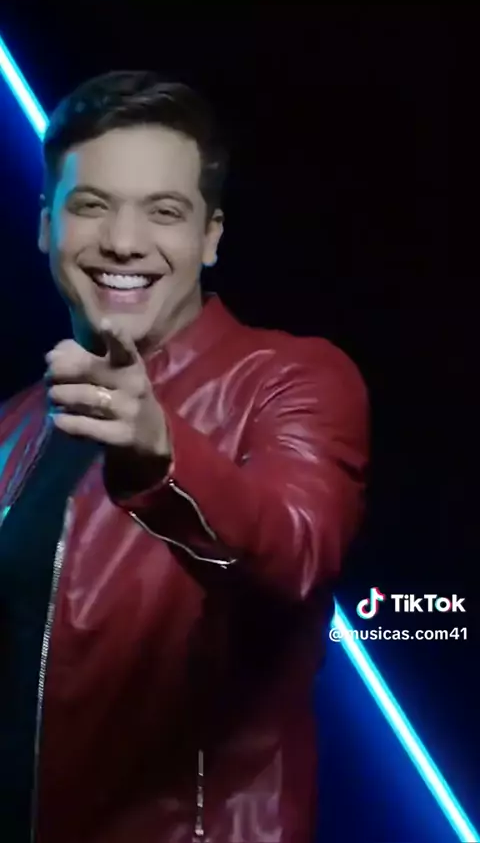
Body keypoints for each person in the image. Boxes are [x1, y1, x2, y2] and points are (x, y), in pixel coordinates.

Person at [0, 70, 369, 843]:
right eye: (91, 205)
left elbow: (298, 550)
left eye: (163, 211)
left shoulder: (290, 378)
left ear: (210, 237)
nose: (123, 240)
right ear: (46, 225)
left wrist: (160, 460)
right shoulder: (15, 425)